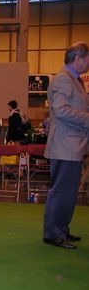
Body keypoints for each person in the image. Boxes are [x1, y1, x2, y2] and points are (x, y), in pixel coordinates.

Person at [42, 41, 89, 249]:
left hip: (72, 146)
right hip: (65, 145)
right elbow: (60, 110)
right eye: (87, 58)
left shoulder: (74, 80)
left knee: (69, 191)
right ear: (78, 59)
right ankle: (53, 233)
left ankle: (61, 228)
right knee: (61, 190)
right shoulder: (63, 80)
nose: (88, 62)